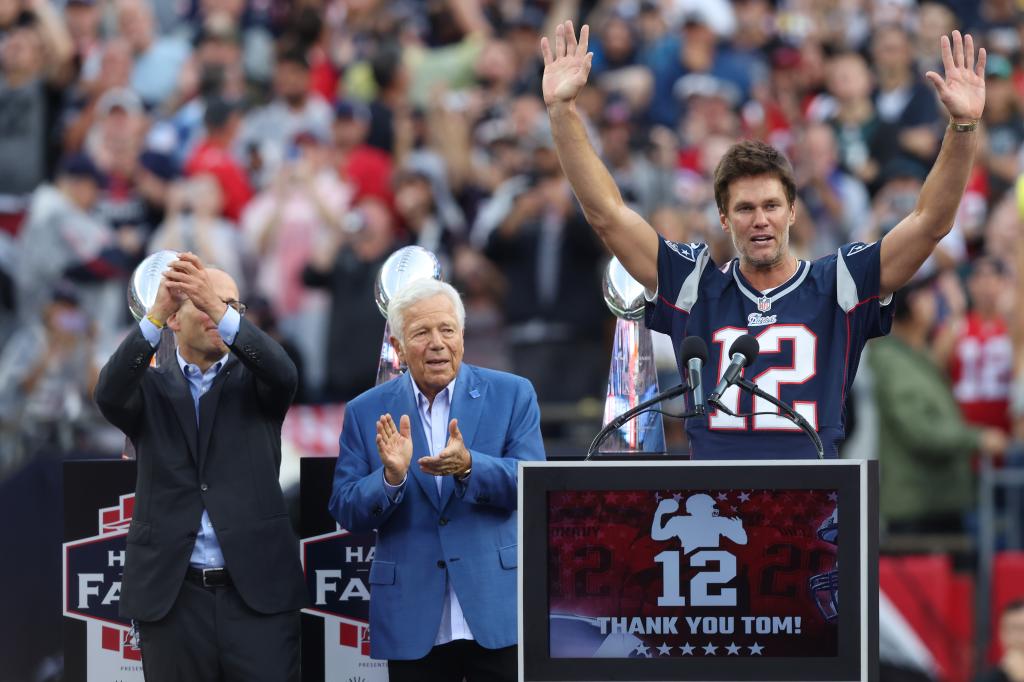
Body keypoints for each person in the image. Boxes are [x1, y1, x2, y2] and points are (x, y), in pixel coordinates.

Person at [542, 21, 988, 459]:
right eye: (745, 208)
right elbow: (608, 215)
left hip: (812, 509)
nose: (760, 220)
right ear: (723, 218)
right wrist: (562, 112)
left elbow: (931, 222)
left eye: (772, 206)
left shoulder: (840, 282)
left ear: (793, 211)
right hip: (716, 510)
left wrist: (962, 127)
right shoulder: (696, 285)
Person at [93, 253, 306, 681]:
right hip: (174, 601)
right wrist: (154, 313)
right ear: (174, 318)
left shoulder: (257, 382)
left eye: (230, 304)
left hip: (257, 601)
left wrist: (216, 306)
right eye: (204, 302)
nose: (218, 310)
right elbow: (109, 393)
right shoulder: (150, 387)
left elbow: (284, 372)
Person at [329, 278, 545, 681]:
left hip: (496, 611)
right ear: (397, 346)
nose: (437, 343)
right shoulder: (365, 411)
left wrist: (469, 467)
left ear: (462, 335)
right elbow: (345, 508)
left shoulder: (512, 394)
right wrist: (391, 478)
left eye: (447, 329)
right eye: (421, 332)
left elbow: (530, 484)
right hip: (411, 614)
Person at [870, 275, 1006, 534]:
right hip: (917, 509)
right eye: (926, 295)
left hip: (936, 503)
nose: (934, 302)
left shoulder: (914, 354)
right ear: (910, 305)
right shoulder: (892, 362)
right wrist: (977, 439)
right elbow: (920, 430)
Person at [975, 599, 1024, 682]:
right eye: (1011, 630)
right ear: (1001, 634)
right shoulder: (987, 679)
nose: (1017, 637)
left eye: (1022, 629)